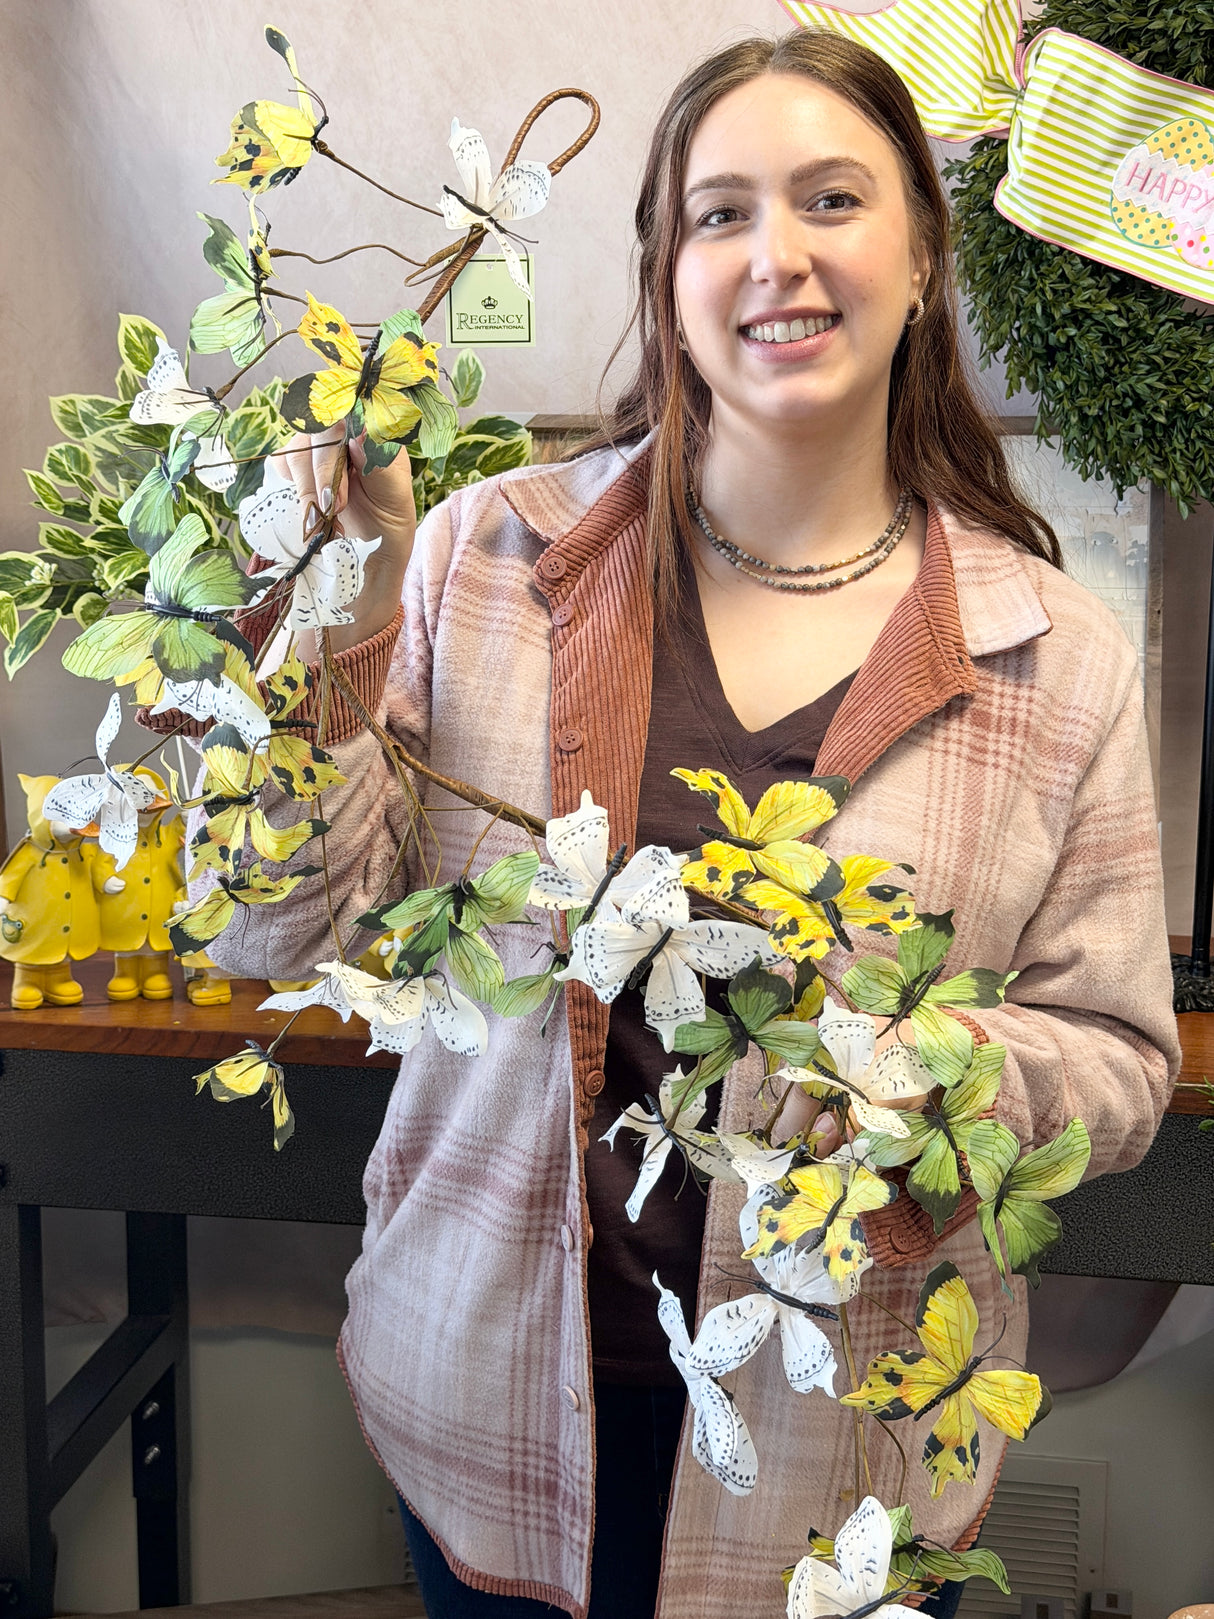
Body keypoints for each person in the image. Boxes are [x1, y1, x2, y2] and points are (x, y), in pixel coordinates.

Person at [202, 30, 1179, 1619]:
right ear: (665, 275)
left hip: (840, 1466)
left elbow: (1120, 1063)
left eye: (831, 199)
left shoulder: (1050, 658)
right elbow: (276, 930)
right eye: (719, 214)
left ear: (923, 255)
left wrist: (923, 1064)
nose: (774, 256)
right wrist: (335, 606)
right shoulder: (479, 561)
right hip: (489, 1410)